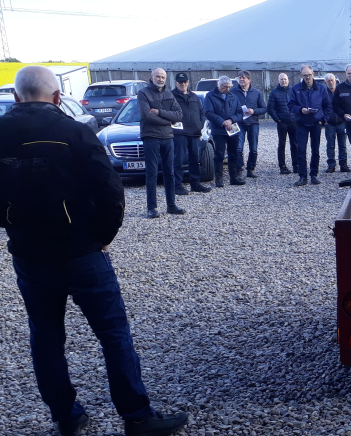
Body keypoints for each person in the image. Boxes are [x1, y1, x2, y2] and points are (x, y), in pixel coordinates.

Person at [0, 66, 189, 436]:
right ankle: (137, 416)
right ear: (57, 97)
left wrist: (12, 226)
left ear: (18, 97)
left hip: (29, 253)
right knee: (113, 334)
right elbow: (110, 189)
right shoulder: (74, 131)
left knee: (46, 338)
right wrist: (104, 236)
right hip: (82, 251)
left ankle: (65, 416)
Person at [138, 68, 184, 218]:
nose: (160, 79)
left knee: (169, 172)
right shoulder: (143, 93)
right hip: (150, 137)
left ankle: (171, 205)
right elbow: (146, 116)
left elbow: (179, 115)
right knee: (151, 173)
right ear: (151, 77)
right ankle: (151, 208)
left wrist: (159, 112)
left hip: (168, 137)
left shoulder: (169, 94)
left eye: (163, 77)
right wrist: (168, 121)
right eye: (157, 76)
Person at [288, 65, 332, 186]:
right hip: (301, 123)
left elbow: (328, 106)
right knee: (301, 150)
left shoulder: (321, 89)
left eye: (309, 75)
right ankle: (302, 176)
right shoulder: (296, 89)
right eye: (305, 75)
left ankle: (314, 175)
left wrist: (323, 120)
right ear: (301, 75)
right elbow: (290, 105)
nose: (307, 77)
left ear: (313, 74)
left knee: (315, 150)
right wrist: (300, 109)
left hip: (316, 123)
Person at [171, 72, 210, 194]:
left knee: (195, 159)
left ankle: (195, 184)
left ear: (188, 82)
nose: (183, 84)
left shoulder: (193, 96)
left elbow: (202, 112)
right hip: (179, 134)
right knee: (178, 160)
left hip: (194, 133)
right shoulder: (171, 96)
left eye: (185, 82)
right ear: (176, 83)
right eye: (180, 82)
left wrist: (200, 124)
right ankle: (177, 185)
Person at [203, 76, 246, 187]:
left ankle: (233, 177)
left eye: (228, 87)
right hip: (219, 130)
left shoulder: (233, 97)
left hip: (233, 129)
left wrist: (231, 120)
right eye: (224, 86)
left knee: (233, 154)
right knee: (219, 155)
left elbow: (240, 113)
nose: (226, 89)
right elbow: (208, 112)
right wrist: (222, 122)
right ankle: (219, 179)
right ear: (219, 85)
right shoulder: (210, 96)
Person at [232, 70, 267, 178]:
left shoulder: (256, 92)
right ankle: (239, 169)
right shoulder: (233, 92)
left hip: (253, 123)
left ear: (249, 80)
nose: (241, 80)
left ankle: (251, 169)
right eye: (240, 78)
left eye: (244, 78)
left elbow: (264, 108)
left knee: (254, 148)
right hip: (238, 124)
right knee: (238, 148)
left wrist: (253, 111)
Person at [267, 72, 299, 175]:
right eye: (281, 79)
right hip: (282, 123)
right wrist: (277, 119)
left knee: (295, 144)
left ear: (288, 80)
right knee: (282, 145)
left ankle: (296, 165)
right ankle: (283, 167)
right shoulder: (274, 93)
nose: (283, 81)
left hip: (293, 122)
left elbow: (299, 104)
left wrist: (297, 117)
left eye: (285, 79)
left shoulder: (294, 91)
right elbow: (270, 108)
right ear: (278, 81)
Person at [322, 73, 349, 173]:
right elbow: (321, 107)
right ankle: (331, 165)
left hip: (342, 122)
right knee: (330, 145)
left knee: (343, 145)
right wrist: (324, 120)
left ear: (335, 81)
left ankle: (343, 165)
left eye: (332, 80)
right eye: (328, 81)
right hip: (329, 123)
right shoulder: (323, 94)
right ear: (325, 82)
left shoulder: (341, 92)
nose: (331, 82)